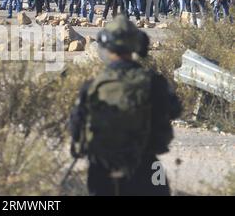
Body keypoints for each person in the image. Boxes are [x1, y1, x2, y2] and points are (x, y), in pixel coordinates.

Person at [69, 15, 182, 196]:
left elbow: (75, 128)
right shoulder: (154, 82)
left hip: (101, 168)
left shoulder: (92, 86)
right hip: (145, 164)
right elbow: (175, 110)